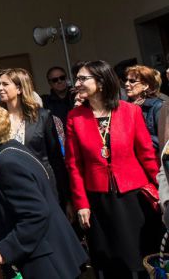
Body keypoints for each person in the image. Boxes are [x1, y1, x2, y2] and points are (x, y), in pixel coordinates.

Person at [0, 102, 87, 278]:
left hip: (45, 263)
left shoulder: (8, 164)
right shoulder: (11, 149)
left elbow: (35, 214)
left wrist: (6, 249)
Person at [66, 60, 160, 278]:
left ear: (100, 82)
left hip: (134, 196)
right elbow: (74, 164)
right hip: (98, 200)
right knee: (110, 264)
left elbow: (146, 154)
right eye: (77, 78)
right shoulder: (75, 117)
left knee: (143, 257)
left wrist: (161, 190)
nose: (77, 82)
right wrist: (81, 203)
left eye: (82, 78)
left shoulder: (130, 111)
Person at [0, 68, 70, 208]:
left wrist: (66, 198)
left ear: (19, 88)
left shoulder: (42, 116)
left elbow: (55, 159)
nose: (0, 88)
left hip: (43, 187)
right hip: (12, 189)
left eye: (5, 84)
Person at [125, 65, 164, 154]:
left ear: (145, 86)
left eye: (132, 81)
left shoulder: (158, 106)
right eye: (126, 80)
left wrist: (136, 140)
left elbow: (163, 139)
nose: (126, 84)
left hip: (154, 159)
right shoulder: (124, 107)